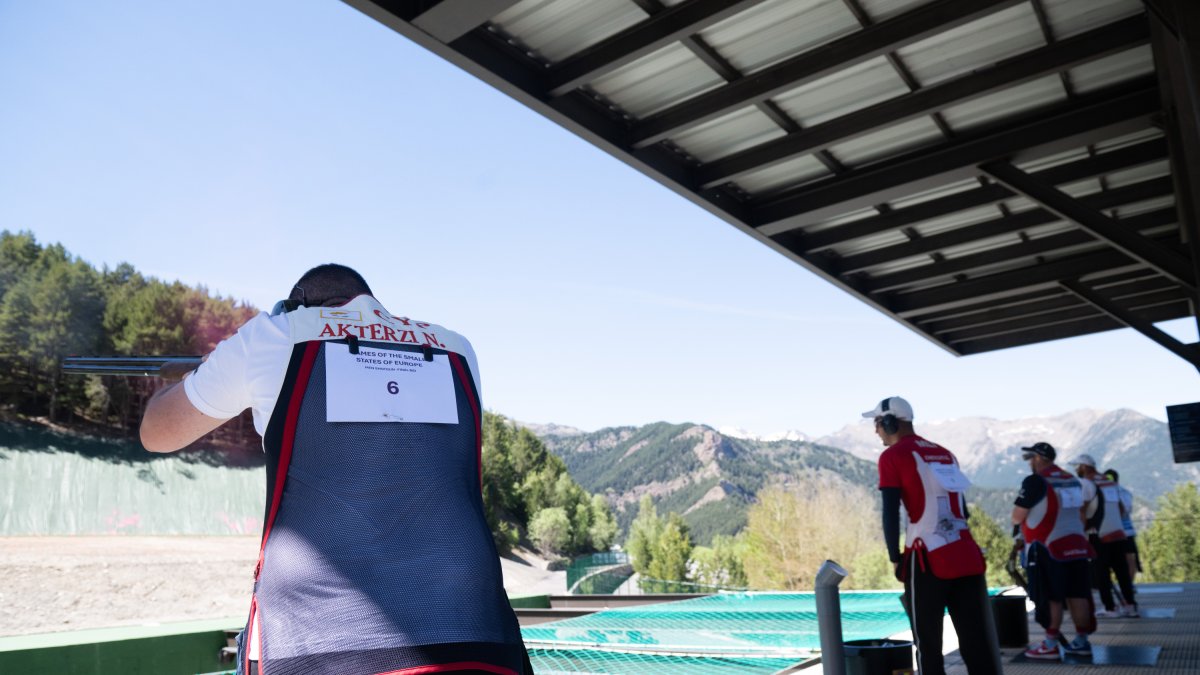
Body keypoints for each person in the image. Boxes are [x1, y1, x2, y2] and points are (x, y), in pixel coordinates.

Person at [140, 264, 532, 675]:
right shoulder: (457, 348)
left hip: (312, 640)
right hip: (474, 628)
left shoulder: (275, 334)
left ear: (296, 305)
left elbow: (158, 432)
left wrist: (197, 376)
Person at [867, 396, 1001, 675]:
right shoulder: (945, 452)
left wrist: (895, 557)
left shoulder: (892, 456)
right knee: (976, 641)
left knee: (928, 644)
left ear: (890, 422)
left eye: (877, 423)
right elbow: (962, 509)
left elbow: (890, 512)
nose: (875, 430)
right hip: (966, 554)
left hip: (927, 557)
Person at [1012, 442, 1097, 659]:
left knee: (1051, 597)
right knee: (1078, 594)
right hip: (1077, 544)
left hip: (1047, 546)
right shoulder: (1072, 480)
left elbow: (1017, 516)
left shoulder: (1035, 481)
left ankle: (1050, 644)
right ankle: (1082, 641)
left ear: (1039, 458)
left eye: (1031, 457)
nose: (1030, 462)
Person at [1070, 454, 1138, 618]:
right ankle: (1130, 605)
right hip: (1118, 533)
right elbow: (1122, 509)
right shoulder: (1109, 482)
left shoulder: (1087, 483)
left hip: (1098, 534)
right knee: (1122, 572)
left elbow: (1083, 509)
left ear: (1084, 467)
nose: (1076, 470)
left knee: (1101, 573)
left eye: (1077, 466)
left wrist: (1082, 529)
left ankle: (1110, 607)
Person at [1104, 468, 1141, 585]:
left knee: (1128, 559)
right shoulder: (1122, 492)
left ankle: (1128, 585)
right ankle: (1125, 585)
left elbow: (1125, 510)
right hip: (1117, 531)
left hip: (1121, 532)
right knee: (1122, 559)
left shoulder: (1122, 492)